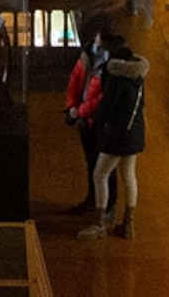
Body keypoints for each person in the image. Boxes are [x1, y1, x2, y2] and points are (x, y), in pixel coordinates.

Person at [82, 37, 148, 238]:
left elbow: (107, 106)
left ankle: (100, 224)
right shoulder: (138, 77)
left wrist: (93, 118)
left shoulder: (116, 77)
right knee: (129, 177)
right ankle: (129, 225)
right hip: (134, 133)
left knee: (99, 174)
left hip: (116, 136)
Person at [60, 29, 112, 215]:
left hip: (100, 121)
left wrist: (78, 110)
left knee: (105, 168)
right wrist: (72, 106)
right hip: (85, 121)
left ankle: (107, 206)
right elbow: (75, 81)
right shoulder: (87, 55)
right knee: (91, 162)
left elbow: (102, 97)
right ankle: (93, 200)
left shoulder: (111, 64)